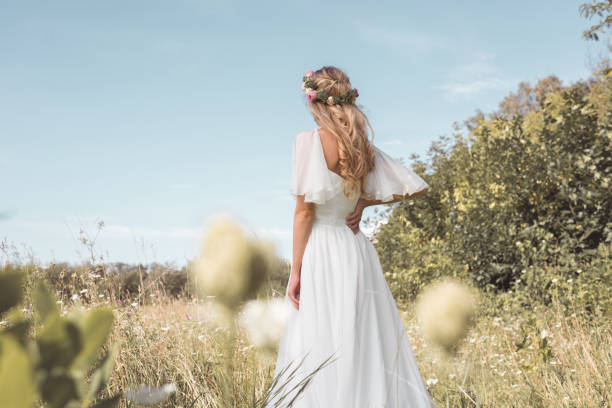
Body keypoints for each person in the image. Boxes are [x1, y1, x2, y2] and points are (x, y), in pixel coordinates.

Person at [265, 66, 436, 407]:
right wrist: (364, 201)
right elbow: (414, 187)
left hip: (322, 251)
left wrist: (295, 271)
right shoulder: (360, 143)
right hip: (354, 248)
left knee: (318, 339)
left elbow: (304, 212)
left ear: (315, 102)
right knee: (365, 339)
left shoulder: (307, 142)